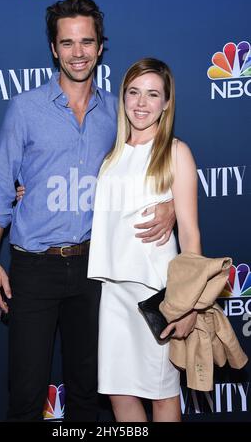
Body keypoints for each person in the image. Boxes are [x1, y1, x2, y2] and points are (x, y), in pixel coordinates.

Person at [0, 0, 175, 422]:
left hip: (94, 268)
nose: (78, 52)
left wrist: (173, 203)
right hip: (34, 268)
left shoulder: (120, 113)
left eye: (87, 42)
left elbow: (150, 165)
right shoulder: (25, 109)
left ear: (100, 46)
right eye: (68, 43)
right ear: (54, 48)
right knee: (27, 395)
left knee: (88, 393)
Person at [87, 58, 201, 422]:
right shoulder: (111, 155)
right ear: (122, 98)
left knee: (162, 393)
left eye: (153, 95)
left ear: (166, 103)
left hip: (156, 295)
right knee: (119, 394)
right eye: (134, 93)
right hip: (114, 293)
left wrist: (189, 304)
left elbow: (190, 234)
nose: (141, 103)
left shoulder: (175, 152)